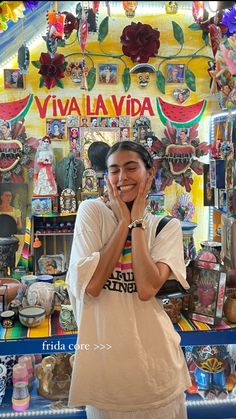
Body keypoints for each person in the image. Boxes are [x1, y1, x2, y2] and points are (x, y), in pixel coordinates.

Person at [66, 141, 191, 418]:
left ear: (149, 173)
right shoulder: (91, 212)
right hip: (105, 380)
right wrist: (123, 222)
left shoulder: (165, 226)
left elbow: (147, 288)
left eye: (131, 168)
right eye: (114, 170)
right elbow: (93, 286)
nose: (122, 177)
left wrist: (136, 222)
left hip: (158, 377)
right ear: (106, 177)